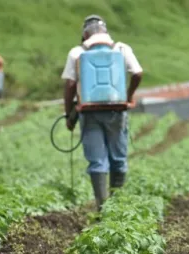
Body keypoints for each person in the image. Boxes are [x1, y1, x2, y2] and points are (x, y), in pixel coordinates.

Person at [61, 15, 143, 211]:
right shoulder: (121, 49)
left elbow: (71, 84)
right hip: (117, 110)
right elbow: (137, 73)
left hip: (89, 113)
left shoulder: (77, 52)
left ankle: (102, 208)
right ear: (106, 33)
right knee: (119, 158)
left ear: (85, 34)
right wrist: (129, 96)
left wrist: (68, 114)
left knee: (97, 161)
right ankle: (117, 207)